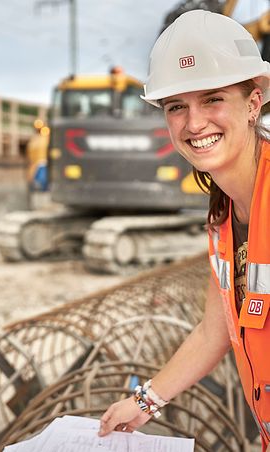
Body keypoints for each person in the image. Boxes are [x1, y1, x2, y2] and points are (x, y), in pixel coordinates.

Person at [98, 10, 270, 451]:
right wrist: (144, 402)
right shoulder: (222, 218)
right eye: (177, 106)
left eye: (212, 99)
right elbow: (216, 331)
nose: (194, 124)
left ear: (253, 104)